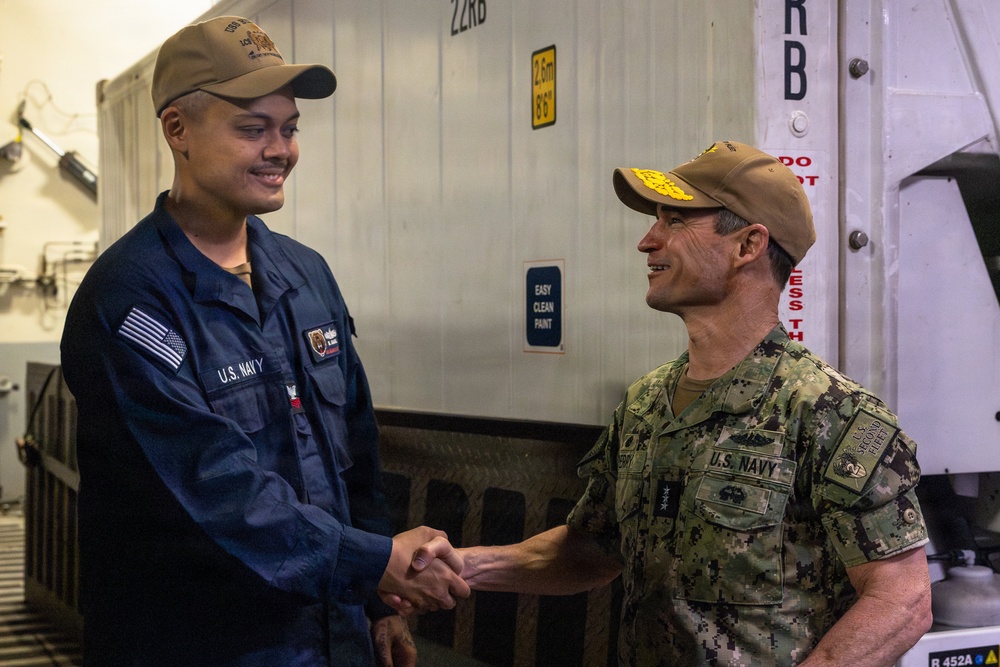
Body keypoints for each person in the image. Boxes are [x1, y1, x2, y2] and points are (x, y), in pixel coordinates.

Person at [405, 141, 933, 666]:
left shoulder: (829, 413)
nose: (647, 241)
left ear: (748, 245)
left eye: (675, 221)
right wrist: (463, 565)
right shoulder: (646, 404)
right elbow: (592, 548)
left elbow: (901, 602)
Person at [60, 16, 466, 667]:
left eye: (290, 127)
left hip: (331, 640)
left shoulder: (306, 274)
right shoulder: (130, 298)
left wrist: (375, 604)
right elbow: (211, 492)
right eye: (253, 128)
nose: (281, 148)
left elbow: (357, 452)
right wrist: (376, 562)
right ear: (177, 130)